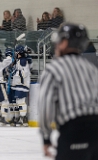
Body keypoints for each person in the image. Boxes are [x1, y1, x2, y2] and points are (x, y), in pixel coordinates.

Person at [38, 23, 98, 160]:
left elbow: (45, 106)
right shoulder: (92, 69)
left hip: (74, 130)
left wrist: (46, 138)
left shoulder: (53, 69)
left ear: (64, 43)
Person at [11, 45, 31, 127]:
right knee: (16, 102)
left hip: (22, 84)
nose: (15, 53)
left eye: (16, 52)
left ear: (19, 53)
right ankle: (18, 118)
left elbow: (24, 73)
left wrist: (15, 72)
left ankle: (24, 118)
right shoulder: (19, 61)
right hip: (18, 85)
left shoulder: (23, 61)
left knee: (21, 102)